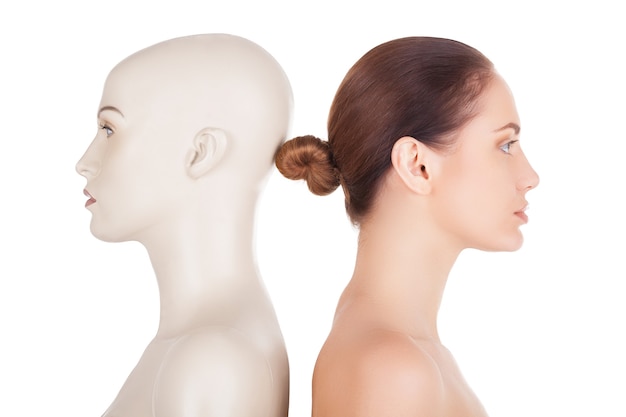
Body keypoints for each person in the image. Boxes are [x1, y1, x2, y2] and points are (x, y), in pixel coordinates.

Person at [275, 36, 539, 417]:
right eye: (505, 145)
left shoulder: (406, 353)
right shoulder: (390, 371)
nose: (530, 177)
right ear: (418, 164)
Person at [76, 34, 293, 417]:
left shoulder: (213, 363)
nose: (85, 162)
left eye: (109, 129)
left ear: (200, 153)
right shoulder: (196, 346)